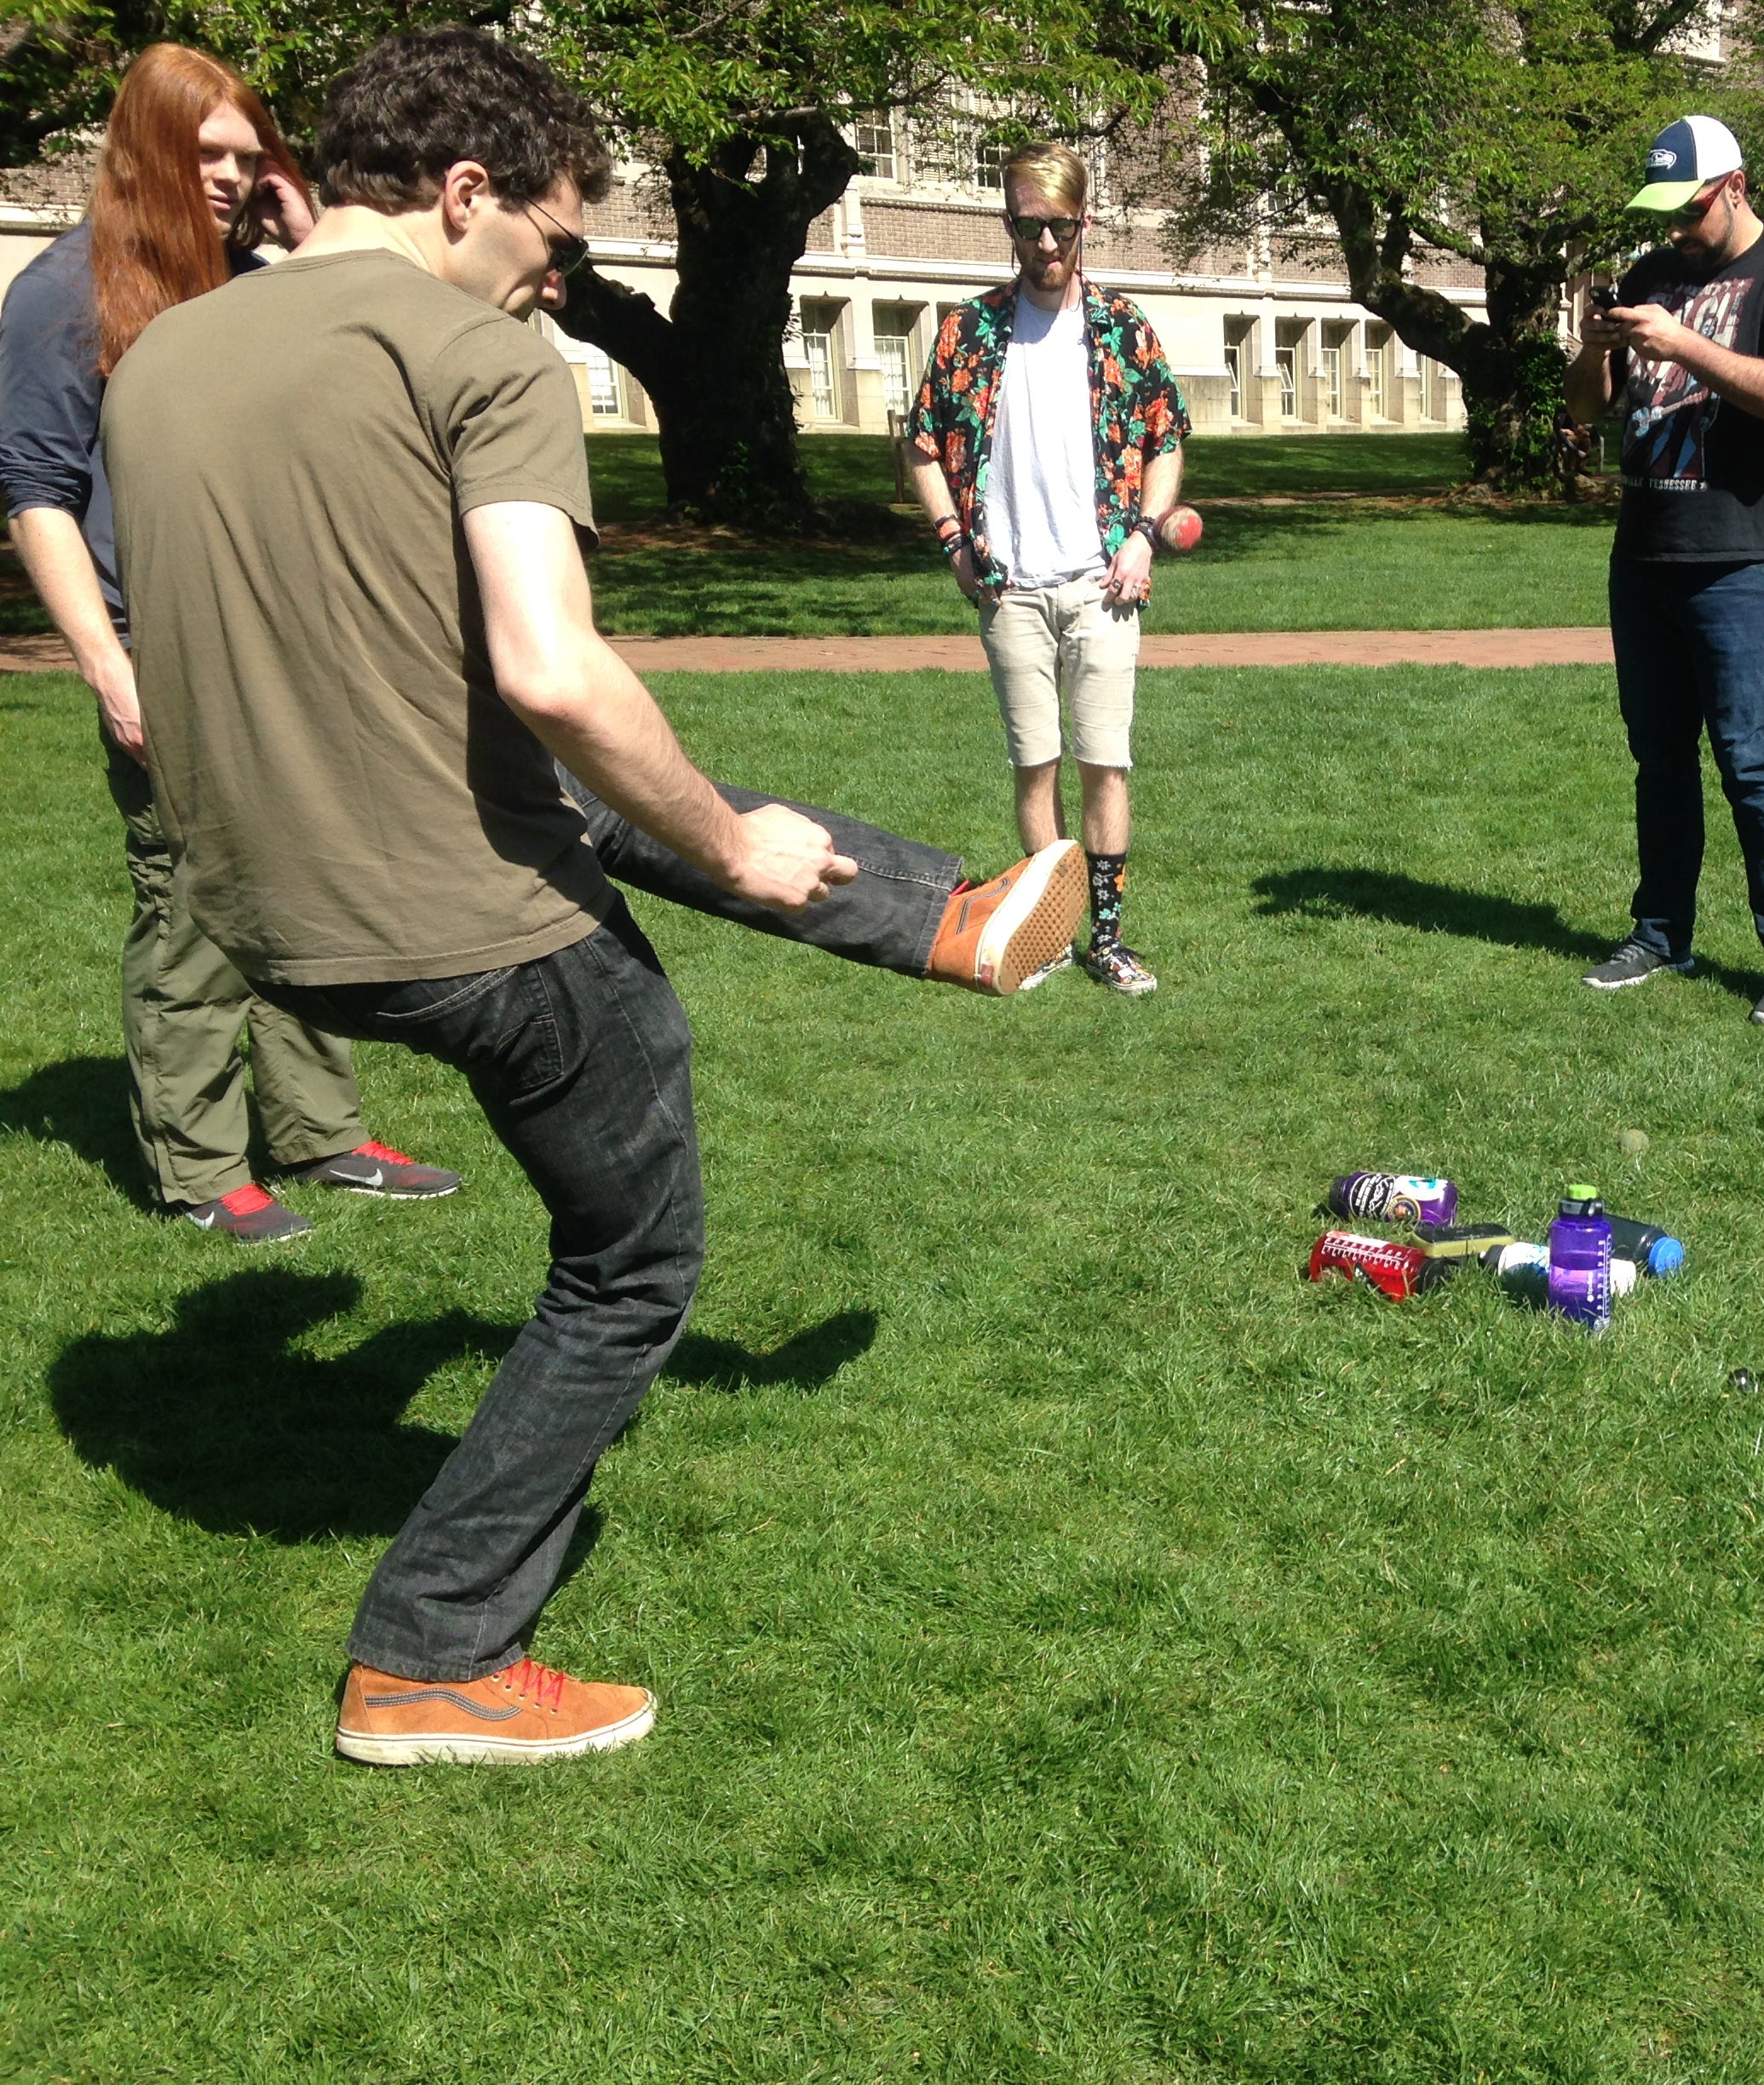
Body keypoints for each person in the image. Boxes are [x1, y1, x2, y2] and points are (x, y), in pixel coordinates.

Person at [100, 26, 1088, 1764]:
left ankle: (942, 915)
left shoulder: (167, 354)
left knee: (553, 791)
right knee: (632, 1266)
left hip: (259, 906)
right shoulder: (482, 362)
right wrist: (727, 844)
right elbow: (556, 669)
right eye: (552, 248)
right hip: (459, 929)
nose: (557, 289)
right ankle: (431, 1655)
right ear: (468, 194)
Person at [0, 43, 461, 1244]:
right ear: (143, 146)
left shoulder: (253, 278)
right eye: (209, 155)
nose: (230, 177)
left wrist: (303, 222)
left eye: (249, 159)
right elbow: (36, 492)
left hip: (289, 644)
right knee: (196, 910)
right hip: (165, 654)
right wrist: (110, 664)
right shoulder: (64, 292)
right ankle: (202, 1167)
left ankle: (321, 1132)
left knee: (311, 893)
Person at [1566, 113, 1764, 1028]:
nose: (1675, 234)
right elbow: (1586, 409)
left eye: (1688, 213)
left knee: (1750, 756)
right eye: (1664, 217)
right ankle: (1661, 931)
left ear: (1733, 186)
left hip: (1738, 555)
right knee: (1658, 758)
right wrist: (1596, 348)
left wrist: (1683, 343)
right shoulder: (1655, 276)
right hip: (1644, 547)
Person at [906, 141, 1187, 998]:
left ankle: (1105, 939)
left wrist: (1142, 537)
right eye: (1029, 227)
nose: (1045, 244)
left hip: (1103, 585)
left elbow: (1166, 438)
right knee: (1036, 764)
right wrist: (954, 540)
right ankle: (1051, 932)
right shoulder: (970, 330)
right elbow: (921, 446)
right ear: (1010, 226)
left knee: (1105, 763)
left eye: (1059, 227)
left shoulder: (1121, 328)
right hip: (1009, 590)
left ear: (1083, 223)